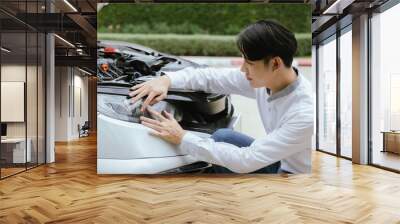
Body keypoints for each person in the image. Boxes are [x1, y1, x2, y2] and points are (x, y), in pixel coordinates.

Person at [129, 19, 314, 174]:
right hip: (279, 159)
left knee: (222, 157)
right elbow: (211, 77)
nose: (243, 69)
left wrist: (182, 137)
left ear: (275, 64)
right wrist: (167, 80)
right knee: (222, 137)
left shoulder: (304, 113)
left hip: (294, 178)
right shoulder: (268, 80)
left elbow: (246, 160)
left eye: (249, 63)